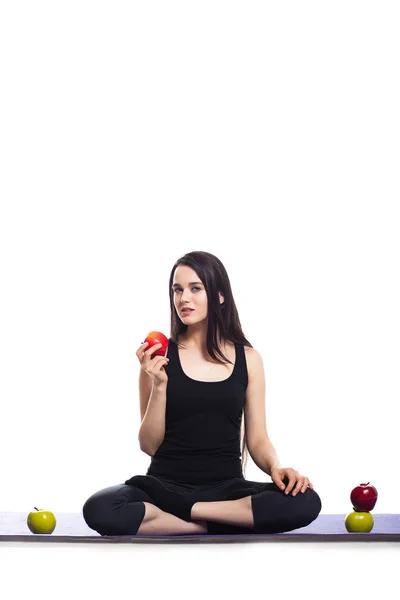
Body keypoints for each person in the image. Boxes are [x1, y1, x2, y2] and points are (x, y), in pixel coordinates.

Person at [82, 251, 322, 536]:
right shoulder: (158, 357)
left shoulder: (249, 359)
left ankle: (191, 516)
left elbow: (257, 439)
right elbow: (148, 445)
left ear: (220, 295)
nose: (184, 299)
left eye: (195, 288)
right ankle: (220, 522)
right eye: (177, 290)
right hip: (164, 487)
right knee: (100, 508)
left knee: (307, 501)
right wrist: (159, 385)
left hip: (225, 490)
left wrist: (276, 468)